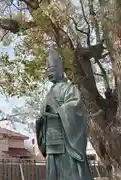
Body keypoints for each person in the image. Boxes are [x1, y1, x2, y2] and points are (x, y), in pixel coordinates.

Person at [35, 48, 93, 180]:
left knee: (70, 172)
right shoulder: (49, 92)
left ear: (60, 69)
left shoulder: (69, 89)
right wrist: (41, 120)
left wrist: (58, 109)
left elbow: (75, 109)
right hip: (51, 140)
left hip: (66, 142)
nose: (49, 71)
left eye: (52, 68)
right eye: (47, 69)